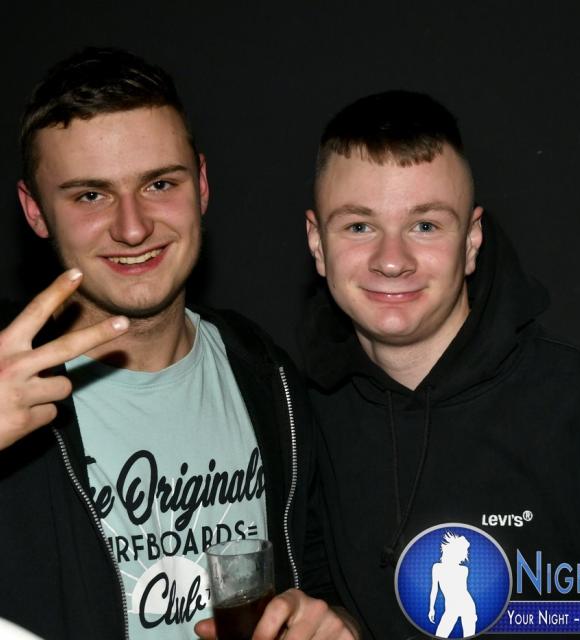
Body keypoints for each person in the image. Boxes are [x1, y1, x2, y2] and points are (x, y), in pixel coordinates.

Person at [0, 47, 357, 640]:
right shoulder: (7, 383)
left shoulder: (264, 372)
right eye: (90, 195)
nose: (133, 227)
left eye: (160, 184)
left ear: (202, 185)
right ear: (35, 212)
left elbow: (318, 576)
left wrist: (337, 624)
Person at [302, 90, 580, 638]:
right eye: (359, 226)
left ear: (472, 240)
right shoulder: (299, 420)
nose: (392, 260)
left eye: (426, 225)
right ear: (317, 243)